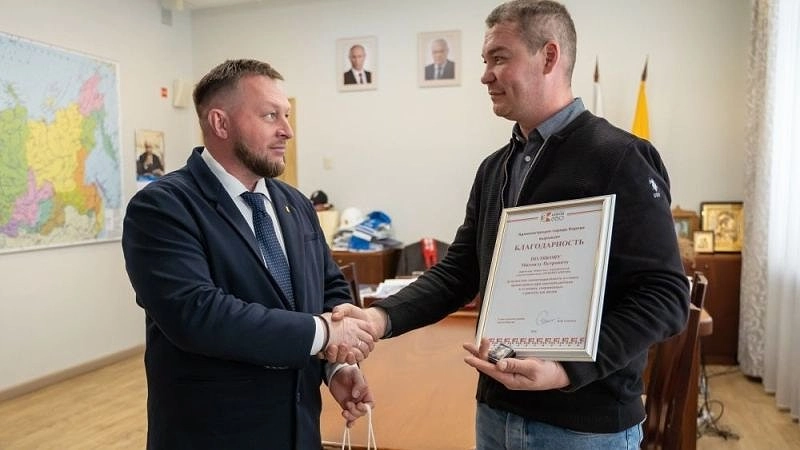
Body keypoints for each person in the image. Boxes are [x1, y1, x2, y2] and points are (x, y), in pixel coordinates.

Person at [332, 1, 689, 448]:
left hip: (583, 426)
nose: (485, 76)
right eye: (486, 61)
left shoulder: (620, 158)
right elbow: (459, 272)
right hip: (496, 413)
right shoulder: (494, 169)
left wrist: (565, 370)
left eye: (499, 58)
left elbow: (665, 296)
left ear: (549, 56)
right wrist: (379, 318)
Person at [122, 59, 378, 450]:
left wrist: (337, 364)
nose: (287, 130)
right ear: (220, 123)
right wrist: (326, 332)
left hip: (300, 430)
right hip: (214, 436)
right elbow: (197, 314)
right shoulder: (163, 207)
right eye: (270, 115)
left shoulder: (295, 203)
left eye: (287, 115)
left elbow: (328, 287)